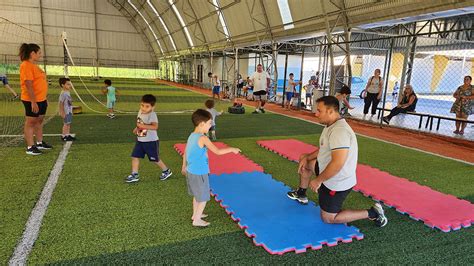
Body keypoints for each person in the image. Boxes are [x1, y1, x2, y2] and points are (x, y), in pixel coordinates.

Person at [287, 96, 388, 227]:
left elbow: (337, 164)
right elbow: (325, 148)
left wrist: (318, 180)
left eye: (319, 110)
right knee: (304, 160)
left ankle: (373, 213)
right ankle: (301, 194)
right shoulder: (330, 124)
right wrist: (307, 157)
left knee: (328, 218)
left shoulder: (340, 131)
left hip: (337, 180)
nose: (316, 113)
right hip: (325, 168)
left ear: (330, 111)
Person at [181, 109, 240, 227]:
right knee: (203, 197)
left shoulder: (192, 135)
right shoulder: (203, 138)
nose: (210, 126)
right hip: (199, 173)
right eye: (209, 123)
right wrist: (232, 149)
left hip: (191, 171)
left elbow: (186, 152)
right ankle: (196, 220)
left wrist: (184, 166)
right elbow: (217, 151)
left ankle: (195, 214)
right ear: (202, 124)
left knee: (197, 195)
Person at [126, 94, 172, 183]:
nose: (143, 108)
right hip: (140, 140)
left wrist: (141, 126)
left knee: (155, 159)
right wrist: (137, 128)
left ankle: (166, 171)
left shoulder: (152, 115)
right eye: (142, 105)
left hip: (151, 141)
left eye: (147, 106)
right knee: (135, 156)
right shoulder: (140, 111)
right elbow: (140, 121)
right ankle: (135, 174)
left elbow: (155, 127)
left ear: (152, 107)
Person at [19, 43, 53, 155]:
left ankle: (39, 142)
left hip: (41, 99)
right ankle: (30, 147)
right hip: (31, 100)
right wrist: (33, 102)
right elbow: (28, 84)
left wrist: (44, 98)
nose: (40, 55)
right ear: (32, 53)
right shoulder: (26, 65)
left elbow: (39, 83)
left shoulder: (34, 65)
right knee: (31, 122)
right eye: (39, 53)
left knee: (39, 121)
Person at [58, 77, 76, 142]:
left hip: (69, 111)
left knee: (68, 123)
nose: (70, 85)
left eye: (70, 84)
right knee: (66, 124)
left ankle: (67, 135)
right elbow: (61, 103)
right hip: (66, 111)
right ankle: (64, 136)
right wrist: (62, 112)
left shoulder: (67, 92)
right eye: (68, 84)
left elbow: (68, 101)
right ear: (63, 85)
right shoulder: (63, 93)